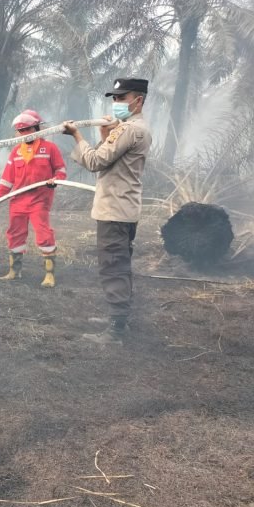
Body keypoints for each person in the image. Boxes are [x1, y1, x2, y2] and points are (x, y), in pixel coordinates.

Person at [62, 77, 152, 345]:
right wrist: (104, 135)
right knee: (119, 265)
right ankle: (119, 317)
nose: (116, 103)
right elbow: (109, 160)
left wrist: (76, 136)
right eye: (114, 99)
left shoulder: (130, 130)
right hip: (121, 207)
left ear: (139, 100)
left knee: (113, 267)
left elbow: (94, 161)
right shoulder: (128, 128)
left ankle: (115, 331)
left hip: (115, 209)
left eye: (122, 98)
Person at [0, 110, 67, 287]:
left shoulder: (50, 149)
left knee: (43, 234)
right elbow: (6, 181)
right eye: (20, 131)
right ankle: (14, 271)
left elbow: (61, 171)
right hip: (18, 201)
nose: (24, 134)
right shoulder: (16, 152)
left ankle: (49, 275)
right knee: (15, 234)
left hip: (40, 200)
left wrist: (56, 180)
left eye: (27, 130)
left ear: (37, 128)